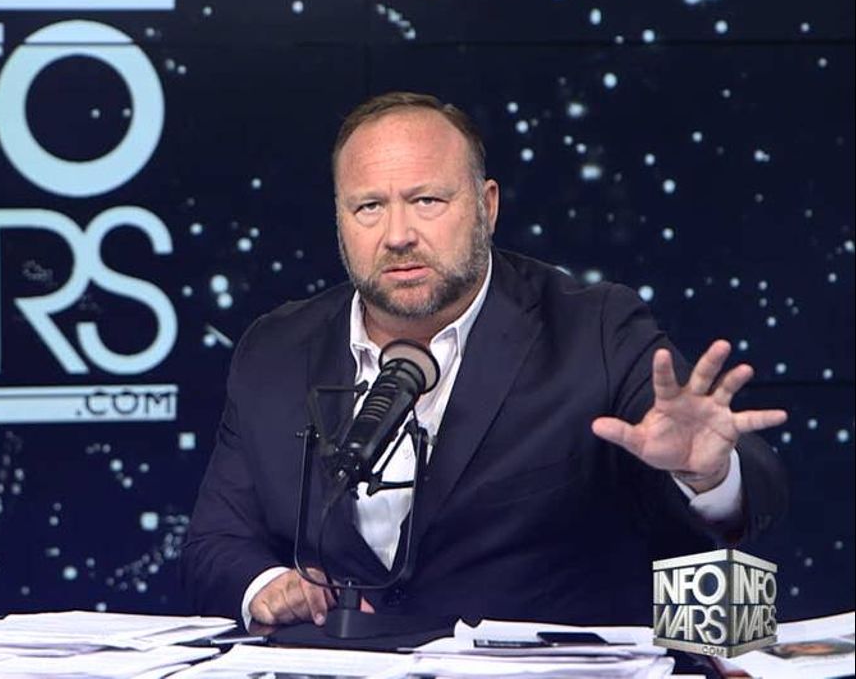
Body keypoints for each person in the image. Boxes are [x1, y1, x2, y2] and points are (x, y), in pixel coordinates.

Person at [180, 91, 789, 631]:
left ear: (486, 206)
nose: (397, 234)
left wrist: (707, 474)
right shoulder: (276, 349)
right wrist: (266, 587)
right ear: (340, 218)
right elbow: (215, 543)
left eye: (426, 200)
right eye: (368, 207)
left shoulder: (594, 329)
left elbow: (752, 502)